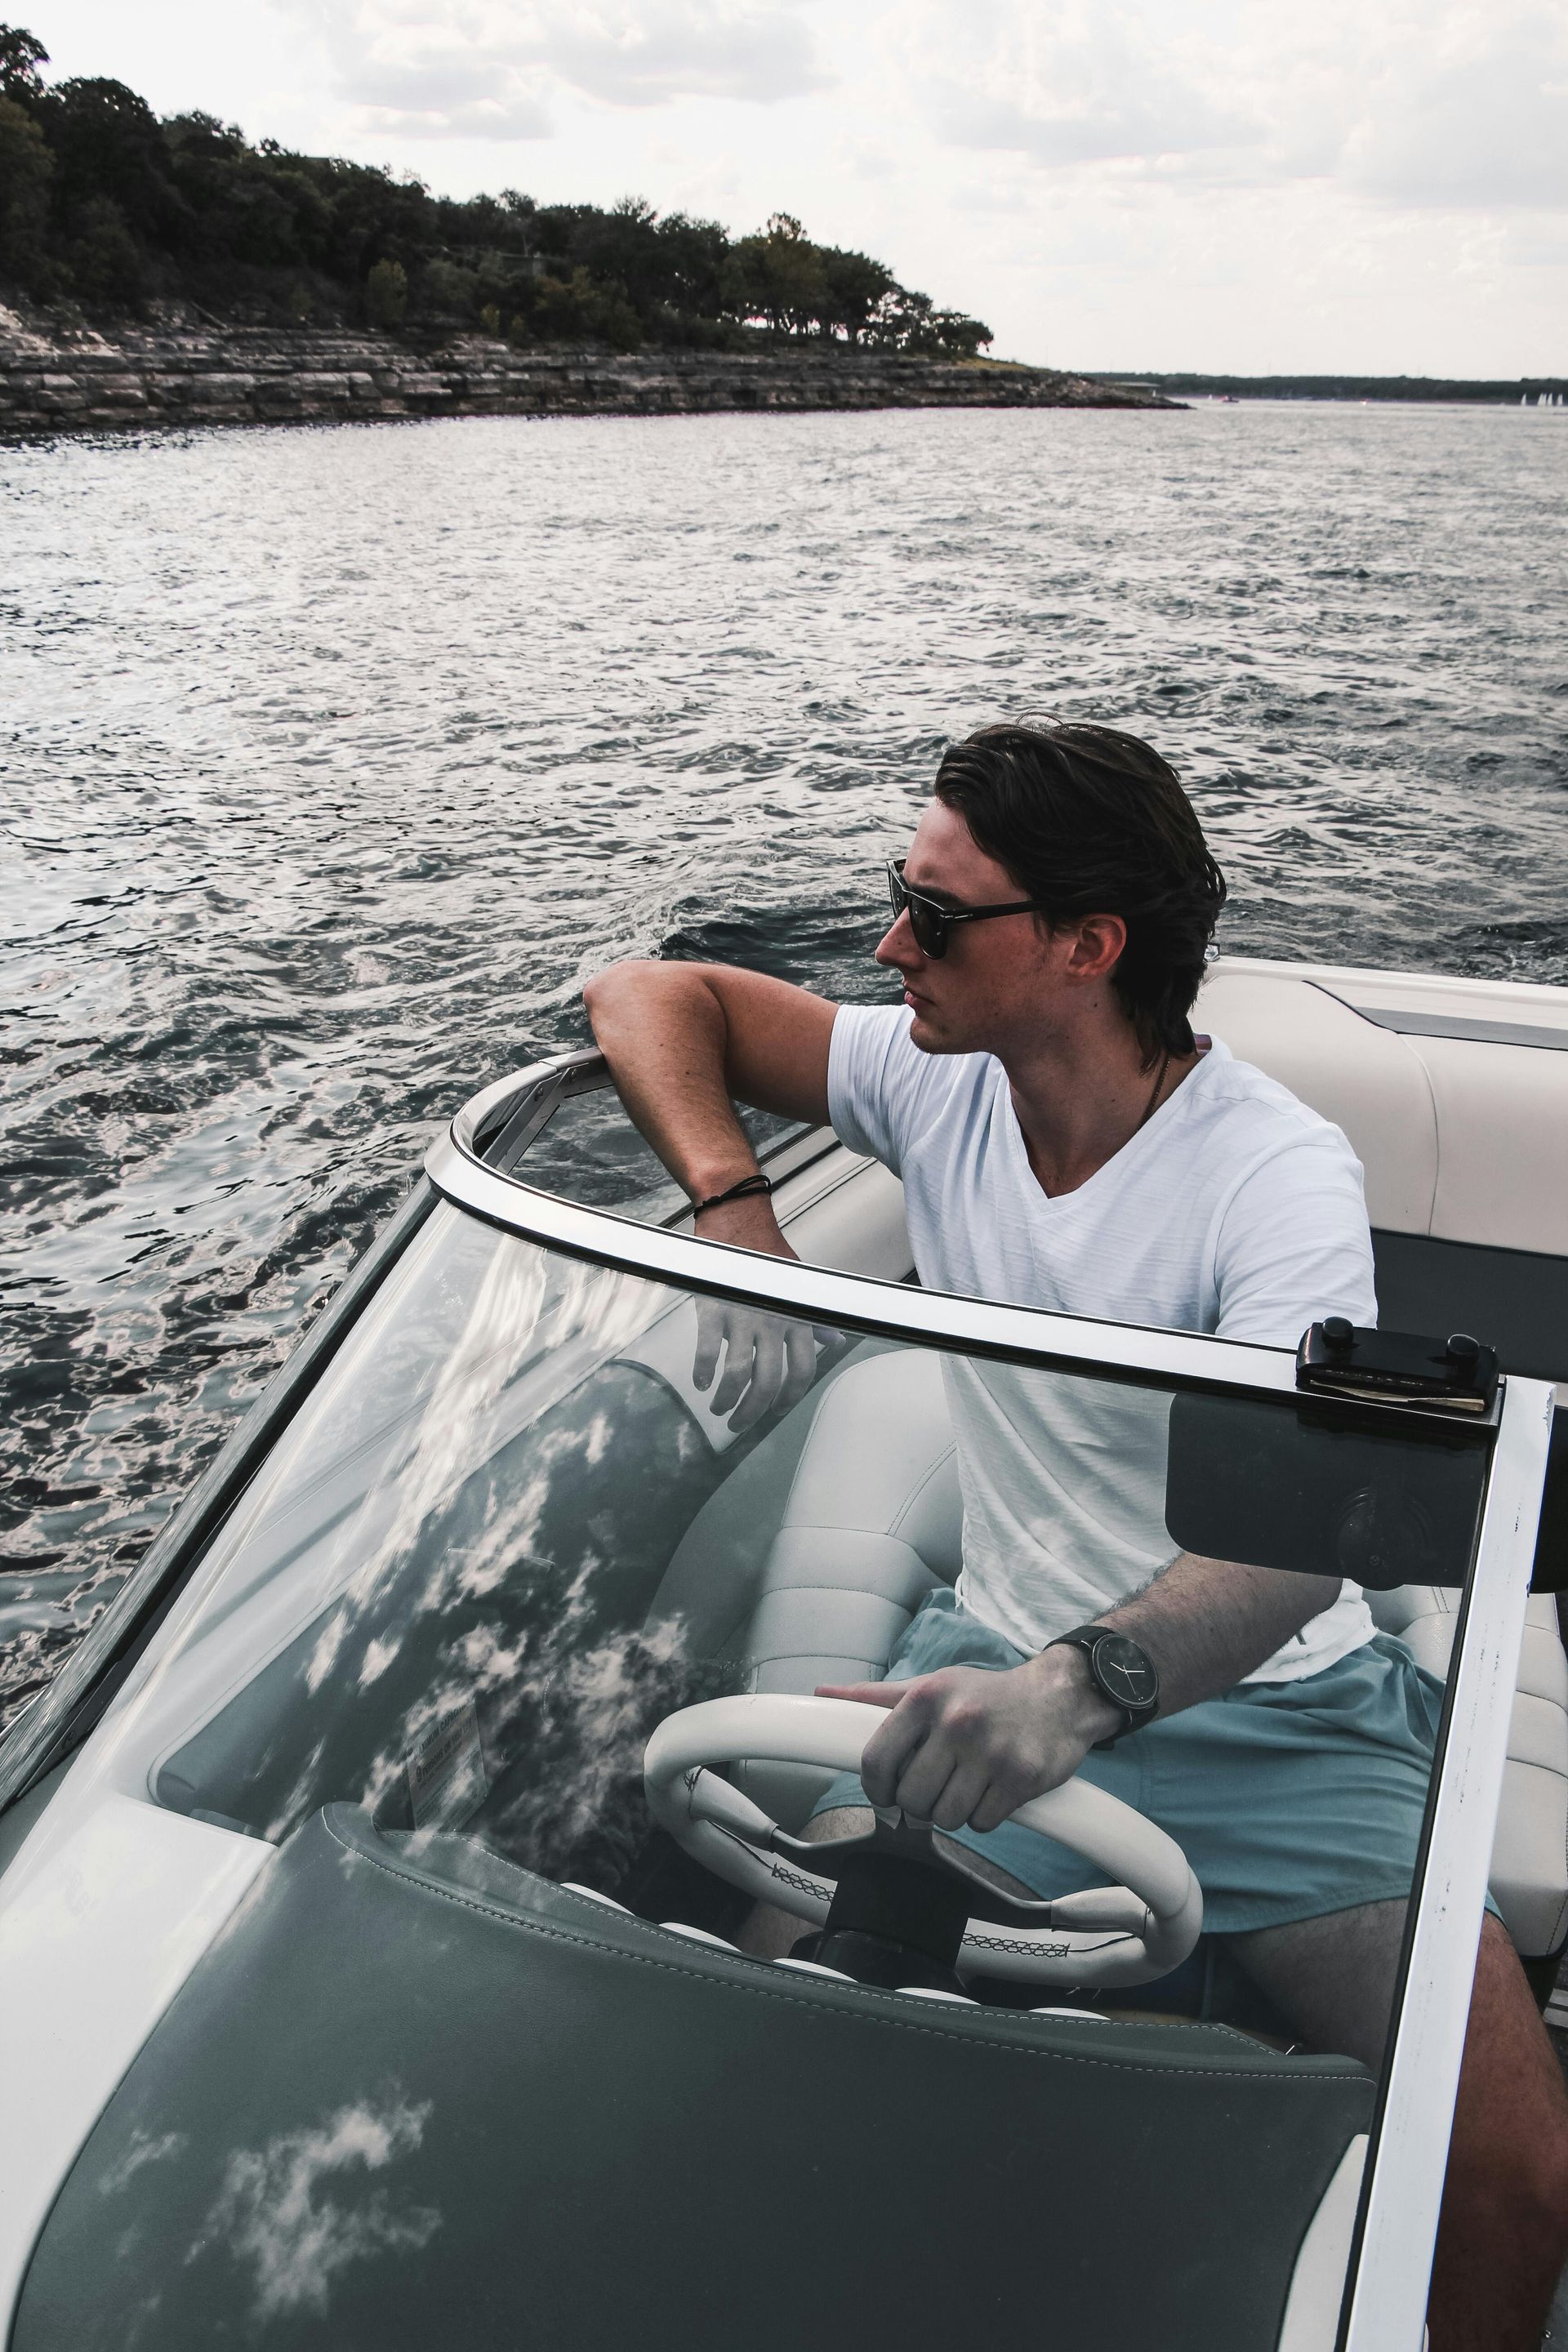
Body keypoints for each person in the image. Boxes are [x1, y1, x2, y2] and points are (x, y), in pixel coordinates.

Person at [584, 719, 1568, 2352]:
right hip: (985, 1663)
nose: (892, 944)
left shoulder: (1275, 1182)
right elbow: (645, 993)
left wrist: (1083, 1683)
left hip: (1279, 1715)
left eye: (941, 915)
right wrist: (732, 1204)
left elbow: (1304, 1537)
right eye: (896, 895)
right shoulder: (935, 1076)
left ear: (1088, 947)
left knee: (1517, 2180)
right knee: (755, 2048)